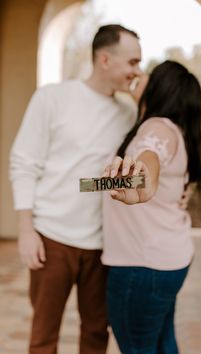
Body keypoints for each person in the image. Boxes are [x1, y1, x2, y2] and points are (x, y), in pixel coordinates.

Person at [9, 24, 142, 354]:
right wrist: (26, 230)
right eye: (133, 62)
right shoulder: (53, 97)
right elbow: (24, 163)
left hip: (102, 245)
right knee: (43, 337)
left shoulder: (129, 113)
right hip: (51, 238)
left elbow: (121, 179)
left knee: (97, 333)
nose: (137, 71)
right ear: (105, 59)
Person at [102, 60, 201, 354]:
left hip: (141, 265)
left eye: (147, 72)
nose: (138, 74)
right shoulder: (178, 131)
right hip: (169, 259)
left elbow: (151, 154)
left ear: (159, 87)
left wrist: (142, 180)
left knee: (139, 347)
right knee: (162, 342)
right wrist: (98, 183)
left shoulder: (156, 128)